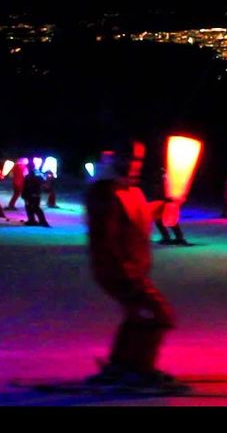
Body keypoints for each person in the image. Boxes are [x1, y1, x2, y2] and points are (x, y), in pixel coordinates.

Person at [84, 143, 182, 389]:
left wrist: (166, 205)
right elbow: (105, 237)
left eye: (138, 159)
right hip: (119, 271)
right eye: (129, 159)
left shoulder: (128, 190)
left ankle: (121, 365)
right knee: (157, 314)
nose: (135, 165)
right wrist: (124, 270)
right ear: (113, 158)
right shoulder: (105, 192)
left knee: (138, 314)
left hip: (131, 270)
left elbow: (140, 216)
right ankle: (139, 369)